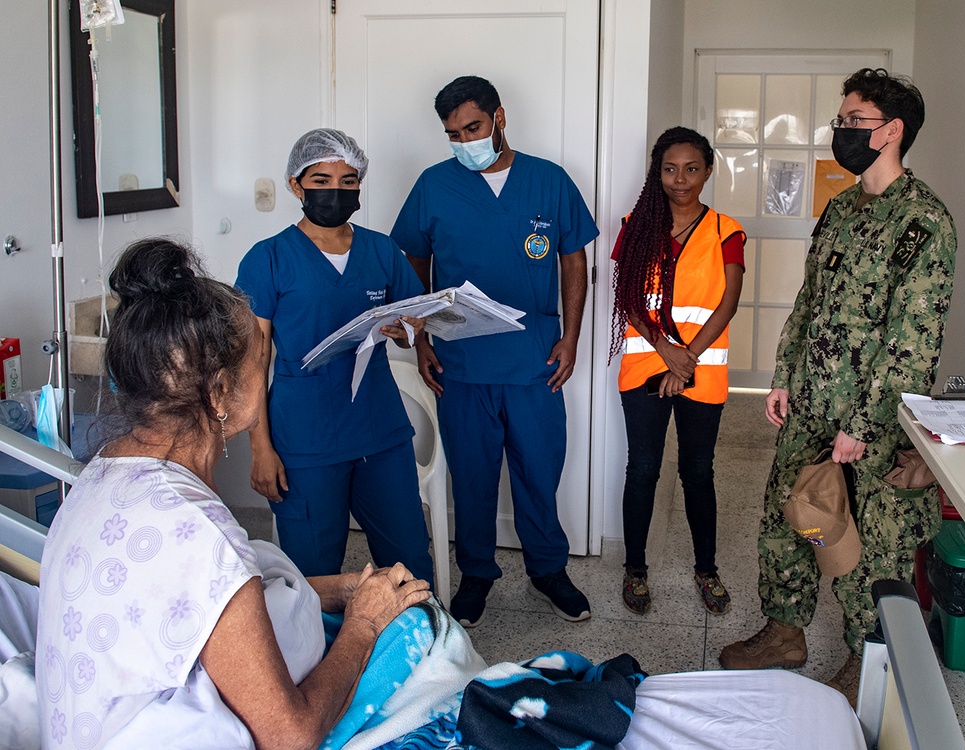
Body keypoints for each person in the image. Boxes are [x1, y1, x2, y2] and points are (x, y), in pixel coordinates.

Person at [35, 239, 432, 749]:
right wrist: (364, 622)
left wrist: (340, 588)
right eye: (260, 358)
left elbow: (198, 603)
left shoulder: (104, 474)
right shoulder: (200, 534)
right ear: (220, 392)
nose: (265, 367)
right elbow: (290, 735)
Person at [719, 68, 957, 705]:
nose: (840, 131)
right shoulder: (841, 207)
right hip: (810, 404)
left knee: (861, 543)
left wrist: (861, 425)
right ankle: (784, 631)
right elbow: (809, 303)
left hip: (867, 422)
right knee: (785, 519)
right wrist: (783, 379)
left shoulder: (924, 221)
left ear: (892, 131)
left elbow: (912, 341)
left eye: (854, 121)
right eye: (841, 120)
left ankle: (867, 656)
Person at [390, 75, 599, 628]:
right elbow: (412, 262)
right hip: (462, 365)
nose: (464, 142)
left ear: (499, 117)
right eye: (453, 134)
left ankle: (548, 568)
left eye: (473, 128)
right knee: (473, 477)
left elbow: (574, 260)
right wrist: (424, 339)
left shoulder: (549, 182)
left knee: (538, 471)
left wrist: (571, 337)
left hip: (534, 360)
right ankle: (477, 573)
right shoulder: (434, 186)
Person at [235, 129, 433, 584]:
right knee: (313, 573)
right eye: (321, 180)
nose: (335, 192)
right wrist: (261, 448)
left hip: (379, 431)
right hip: (305, 439)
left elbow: (409, 332)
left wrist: (408, 329)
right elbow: (252, 360)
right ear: (295, 184)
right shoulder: (268, 259)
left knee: (408, 562)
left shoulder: (381, 250)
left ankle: (421, 649)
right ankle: (322, 655)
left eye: (348, 182)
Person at [610, 127, 745, 616]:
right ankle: (635, 570)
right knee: (642, 469)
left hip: (701, 369)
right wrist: (666, 350)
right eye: (670, 169)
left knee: (697, 472)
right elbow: (627, 297)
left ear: (707, 171)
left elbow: (728, 301)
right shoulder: (635, 224)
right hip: (646, 363)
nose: (680, 179)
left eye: (691, 169)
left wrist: (685, 360)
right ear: (657, 172)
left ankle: (706, 570)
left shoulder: (725, 230)